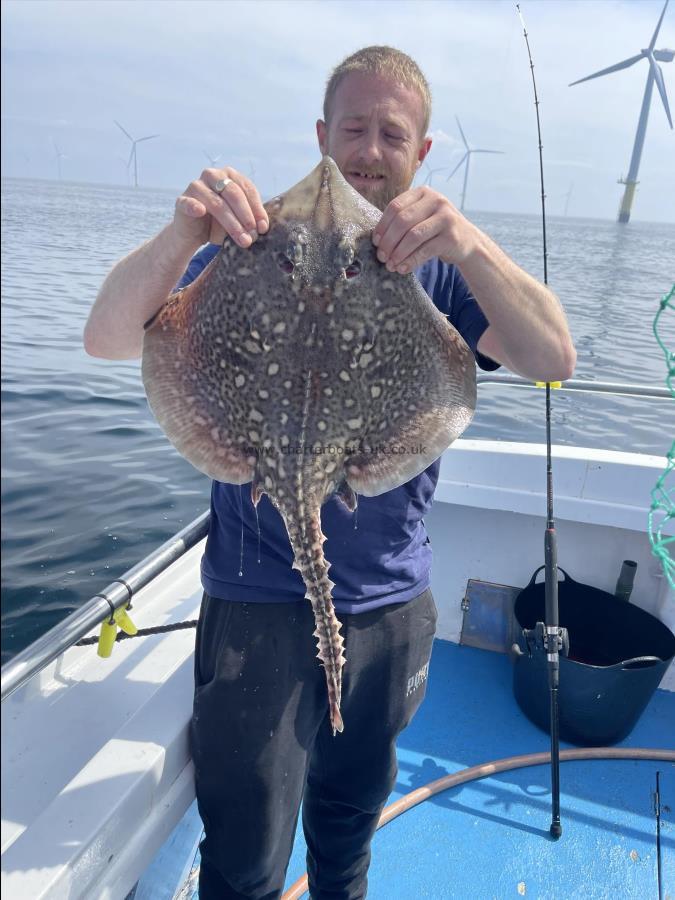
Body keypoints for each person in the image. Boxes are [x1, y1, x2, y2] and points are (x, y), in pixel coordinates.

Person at [86, 45, 575, 900]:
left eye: (393, 133)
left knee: (346, 839)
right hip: (254, 609)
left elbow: (553, 357)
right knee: (244, 857)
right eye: (354, 127)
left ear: (421, 154)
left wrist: (467, 245)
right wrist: (184, 233)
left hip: (390, 607)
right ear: (322, 136)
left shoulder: (438, 276)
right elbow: (107, 337)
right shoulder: (246, 250)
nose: (369, 149)